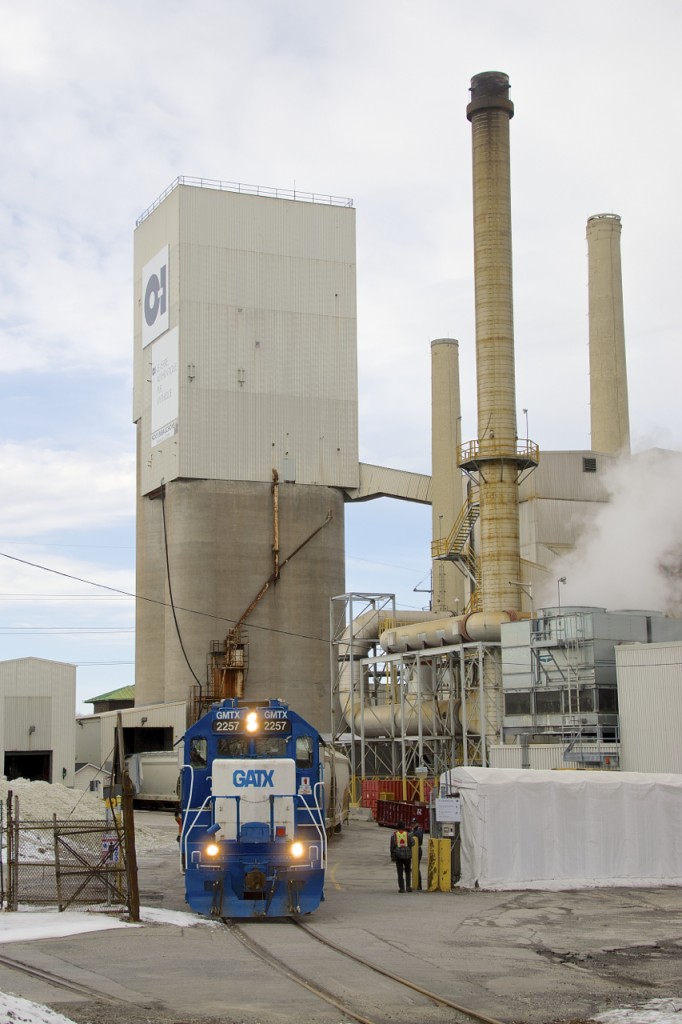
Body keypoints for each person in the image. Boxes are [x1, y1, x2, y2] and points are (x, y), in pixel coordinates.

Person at [390, 820, 415, 892]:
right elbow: (413, 843)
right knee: (407, 871)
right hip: (407, 855)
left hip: (398, 856)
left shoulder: (394, 835)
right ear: (404, 827)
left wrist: (392, 856)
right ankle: (408, 887)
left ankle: (402, 888)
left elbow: (392, 846)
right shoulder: (408, 834)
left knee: (400, 872)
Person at [410, 816, 424, 890]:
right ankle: (416, 883)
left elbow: (418, 837)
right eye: (412, 823)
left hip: (418, 849)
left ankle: (419, 885)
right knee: (414, 867)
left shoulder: (419, 829)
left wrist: (412, 834)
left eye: (414, 823)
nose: (412, 824)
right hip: (413, 849)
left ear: (417, 823)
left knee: (416, 867)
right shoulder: (412, 830)